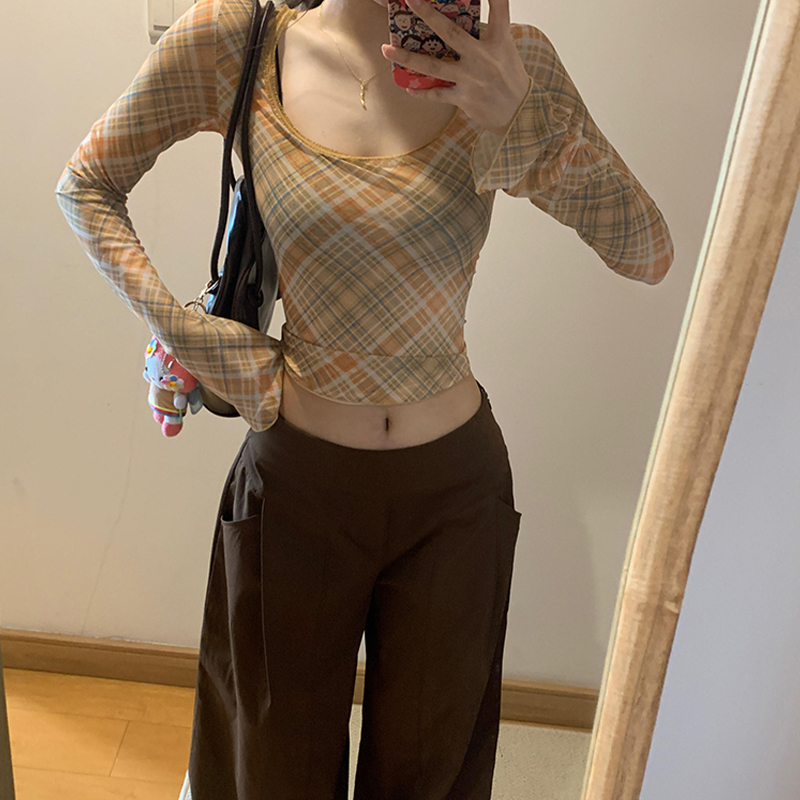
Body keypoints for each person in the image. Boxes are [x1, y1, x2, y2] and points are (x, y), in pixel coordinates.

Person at [55, 0, 674, 796]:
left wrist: (525, 120)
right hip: (296, 490)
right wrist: (191, 336)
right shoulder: (242, 42)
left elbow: (647, 251)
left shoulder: (508, 63)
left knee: (430, 773)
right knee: (269, 768)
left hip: (455, 500)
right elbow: (86, 185)